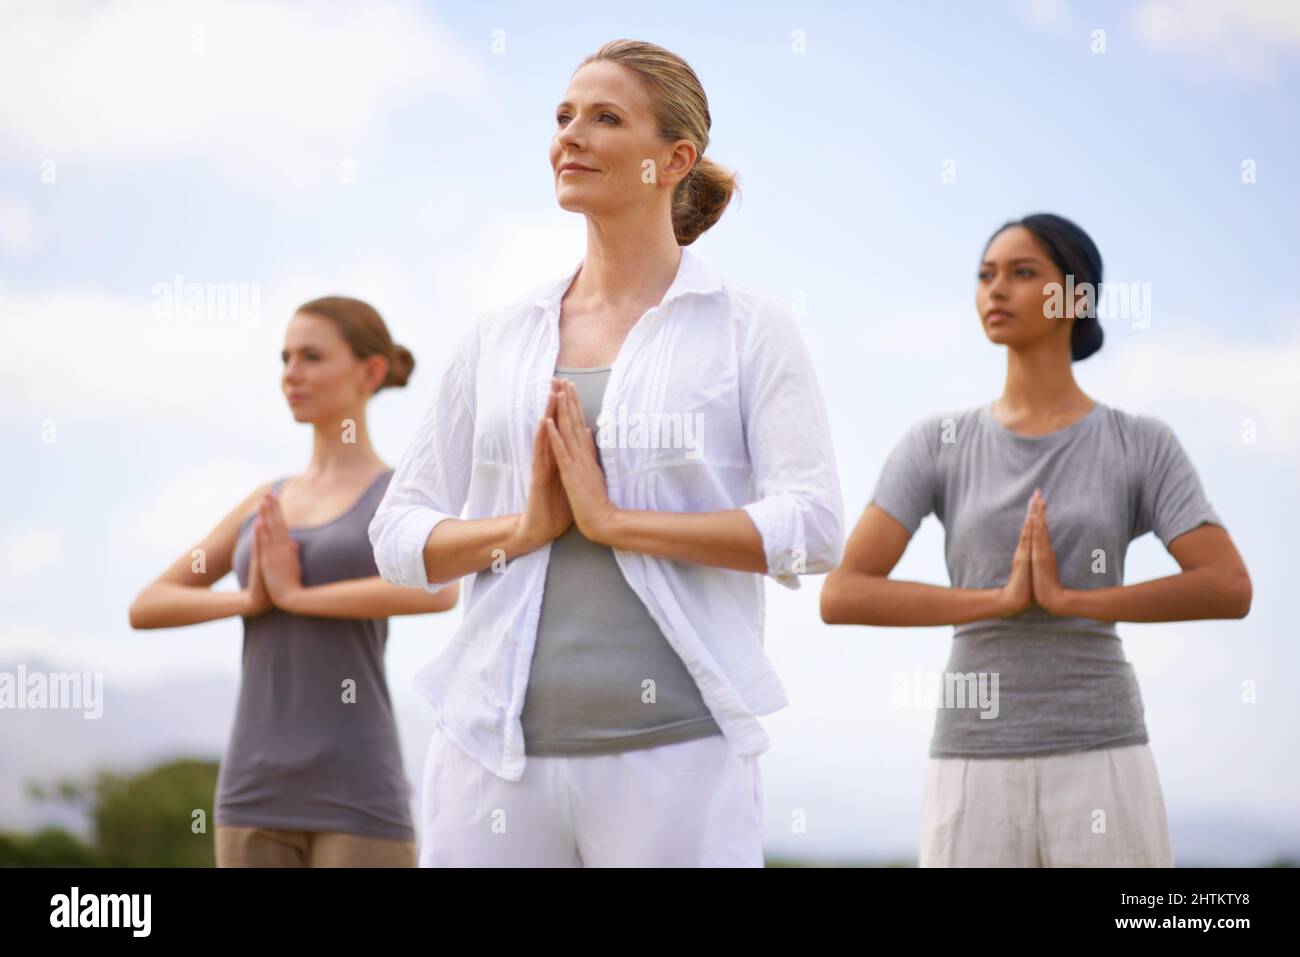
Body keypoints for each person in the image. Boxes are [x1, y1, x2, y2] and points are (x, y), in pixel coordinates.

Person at [369, 39, 844, 867]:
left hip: (678, 754)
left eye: (605, 118)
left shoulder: (749, 327)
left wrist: (618, 521)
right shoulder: (497, 335)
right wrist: (521, 528)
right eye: (562, 117)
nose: (570, 136)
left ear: (675, 159)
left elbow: (813, 525)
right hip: (489, 756)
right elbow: (398, 534)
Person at [821, 213, 1252, 867]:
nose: (997, 289)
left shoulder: (1139, 442)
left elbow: (1227, 585)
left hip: (1102, 750)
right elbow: (843, 593)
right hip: (972, 759)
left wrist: (1073, 597)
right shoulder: (938, 442)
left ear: (1076, 298)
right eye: (986, 275)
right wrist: (996, 599)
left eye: (1023, 273)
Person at [129, 296, 460, 867]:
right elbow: (148, 604)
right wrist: (250, 599)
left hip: (357, 788)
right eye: (285, 358)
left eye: (311, 357)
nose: (291, 375)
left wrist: (297, 597)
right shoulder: (266, 501)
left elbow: (438, 588)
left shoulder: (397, 498)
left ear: (371, 372)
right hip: (252, 792)